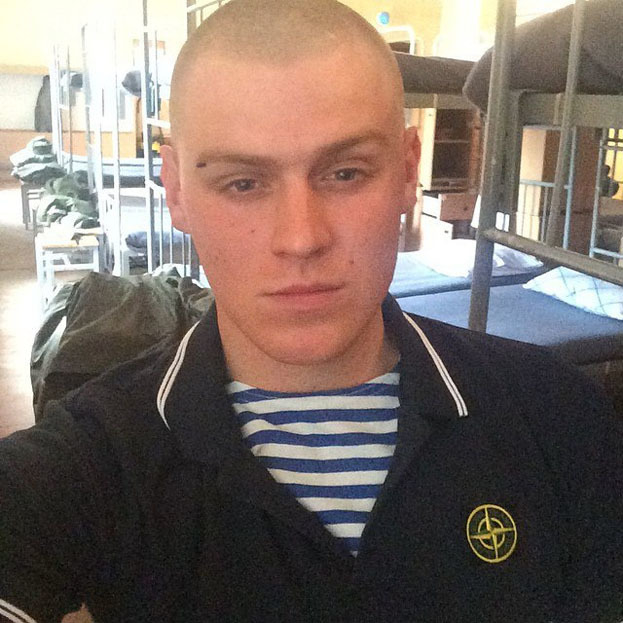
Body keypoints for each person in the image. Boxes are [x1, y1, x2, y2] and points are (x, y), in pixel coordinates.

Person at [1, 1, 622, 621]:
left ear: (407, 171)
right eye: (243, 183)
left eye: (346, 173)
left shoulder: (559, 414)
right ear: (177, 190)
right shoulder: (86, 461)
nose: (301, 239)